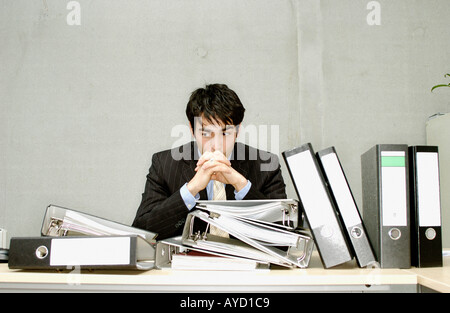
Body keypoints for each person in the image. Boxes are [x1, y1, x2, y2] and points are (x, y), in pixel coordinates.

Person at [132, 84, 286, 239]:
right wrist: (191, 190)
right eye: (206, 133)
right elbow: (143, 233)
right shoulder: (164, 164)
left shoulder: (266, 165)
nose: (216, 145)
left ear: (238, 130)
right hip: (187, 261)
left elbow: (284, 238)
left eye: (225, 133)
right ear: (192, 130)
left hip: (246, 261)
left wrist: (241, 185)